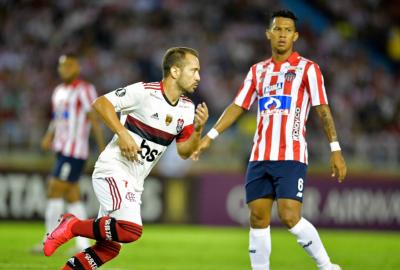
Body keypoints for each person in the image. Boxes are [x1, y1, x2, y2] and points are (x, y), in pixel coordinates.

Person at [192, 10, 347, 270]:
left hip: (291, 154)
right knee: (257, 217)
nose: (283, 34)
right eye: (278, 29)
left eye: (288, 30)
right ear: (269, 34)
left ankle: (326, 266)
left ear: (295, 36)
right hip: (259, 155)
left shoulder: (308, 69)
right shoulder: (257, 71)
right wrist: (210, 136)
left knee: (289, 216)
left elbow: (322, 109)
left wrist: (335, 148)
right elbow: (237, 106)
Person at [43, 47, 208, 269]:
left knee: (109, 248)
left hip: (134, 180)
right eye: (194, 70)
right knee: (131, 230)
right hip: (114, 168)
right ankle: (72, 225)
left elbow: (184, 151)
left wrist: (197, 130)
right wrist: (122, 133)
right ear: (176, 71)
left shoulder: (188, 108)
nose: (198, 77)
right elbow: (101, 103)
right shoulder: (144, 92)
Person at [34, 54, 105, 253]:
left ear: (77, 67)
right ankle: (83, 245)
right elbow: (57, 119)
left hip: (75, 151)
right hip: (61, 149)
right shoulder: (58, 91)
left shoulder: (85, 89)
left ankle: (49, 239)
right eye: (61, 66)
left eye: (69, 65)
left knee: (54, 189)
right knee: (72, 196)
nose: (64, 69)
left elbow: (94, 120)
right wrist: (49, 135)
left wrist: (101, 148)